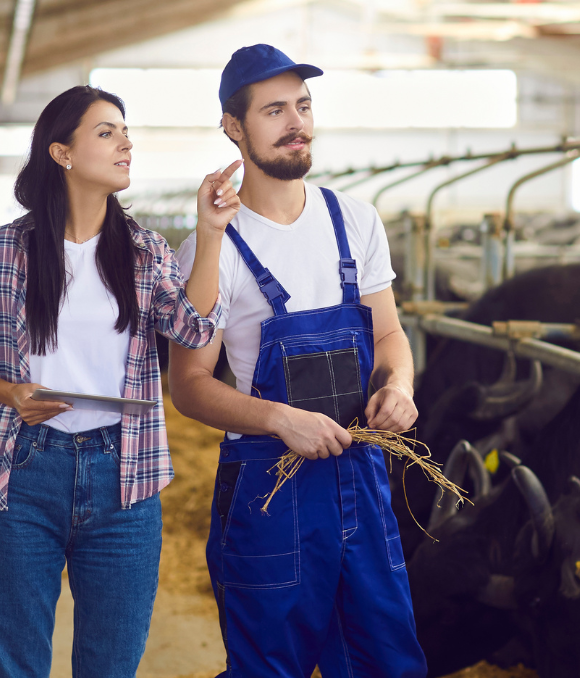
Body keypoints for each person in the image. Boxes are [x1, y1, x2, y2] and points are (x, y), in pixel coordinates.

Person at [0, 85, 241, 678]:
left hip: (124, 478)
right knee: (14, 665)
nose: (126, 143)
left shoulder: (145, 252)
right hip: (20, 474)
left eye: (126, 131)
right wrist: (8, 392)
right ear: (62, 153)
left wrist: (211, 232)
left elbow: (196, 331)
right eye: (106, 132)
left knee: (111, 667)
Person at [168, 45, 428, 677]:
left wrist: (400, 385)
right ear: (234, 127)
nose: (296, 122)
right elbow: (191, 386)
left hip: (360, 476)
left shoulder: (355, 221)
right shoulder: (213, 246)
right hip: (269, 487)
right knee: (268, 667)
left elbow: (390, 334)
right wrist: (283, 420)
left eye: (304, 106)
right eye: (275, 109)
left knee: (385, 662)